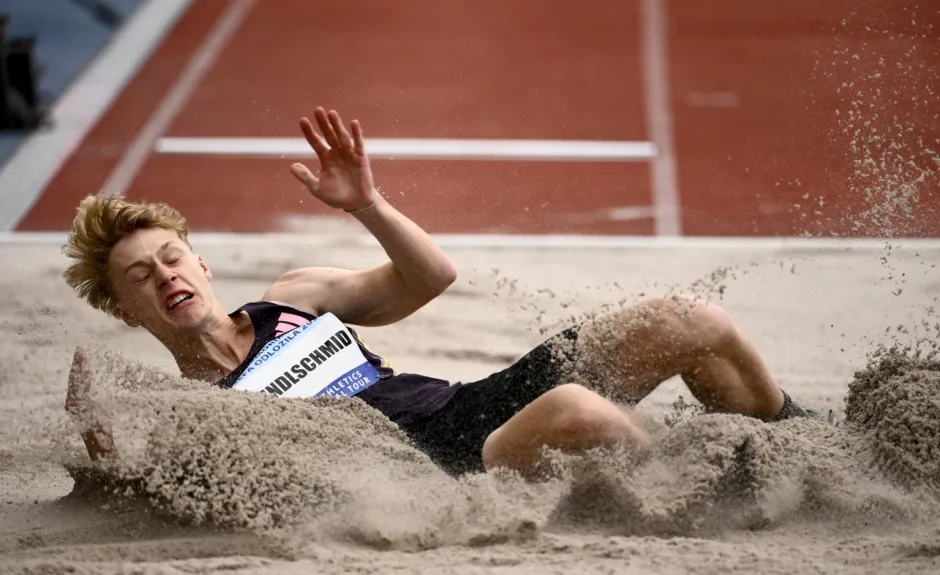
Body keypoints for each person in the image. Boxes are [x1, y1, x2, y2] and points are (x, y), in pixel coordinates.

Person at [62, 107, 819, 480]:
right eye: (140, 276)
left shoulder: (292, 297)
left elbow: (429, 279)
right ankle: (704, 495)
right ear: (127, 311)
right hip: (437, 470)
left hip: (470, 404)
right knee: (577, 410)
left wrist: (365, 205)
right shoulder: (195, 406)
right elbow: (149, 485)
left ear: (201, 264)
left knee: (690, 319)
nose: (165, 276)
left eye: (171, 258)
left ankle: (802, 443)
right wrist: (98, 443)